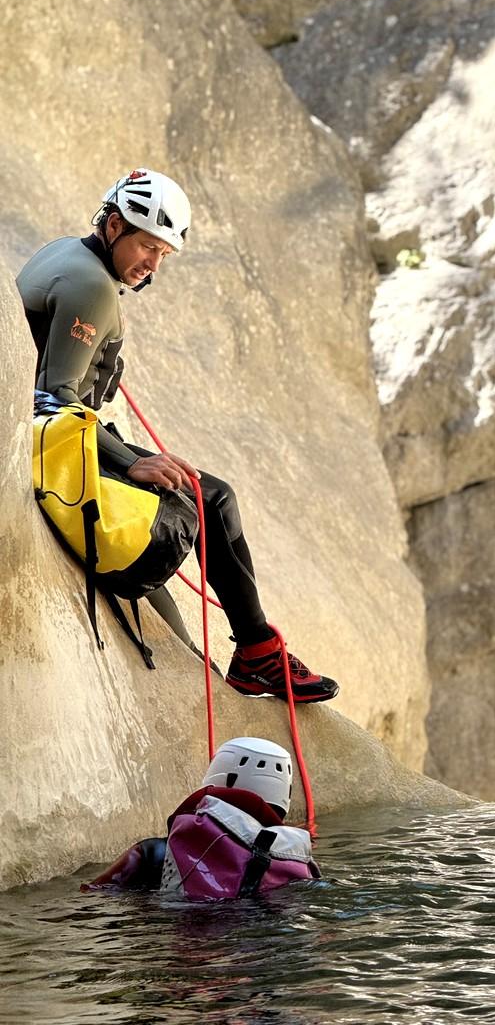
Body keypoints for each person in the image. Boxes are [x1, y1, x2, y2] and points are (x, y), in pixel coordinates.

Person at [17, 168, 337, 703]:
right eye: (148, 246)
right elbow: (51, 397)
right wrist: (129, 461)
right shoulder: (91, 287)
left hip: (51, 436)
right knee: (211, 498)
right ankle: (258, 654)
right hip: (53, 444)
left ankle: (236, 653)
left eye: (164, 253)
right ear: (114, 227)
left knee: (191, 506)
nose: (153, 264)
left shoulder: (63, 252)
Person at [81, 737, 321, 898]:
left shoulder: (155, 852)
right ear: (286, 793)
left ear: (219, 776)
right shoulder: (293, 857)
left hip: (184, 945)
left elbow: (95, 896)